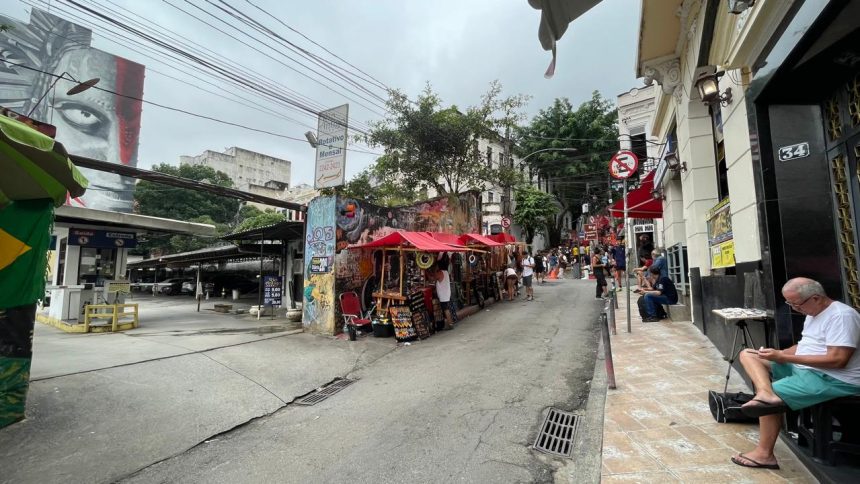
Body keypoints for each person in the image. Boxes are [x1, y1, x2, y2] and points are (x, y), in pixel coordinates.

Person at [732, 277, 860, 470]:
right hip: (807, 369)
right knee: (749, 354)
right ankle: (765, 392)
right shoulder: (813, 312)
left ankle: (764, 454)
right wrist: (778, 353)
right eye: (789, 304)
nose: (794, 308)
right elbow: (804, 346)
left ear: (816, 298)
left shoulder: (841, 316)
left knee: (768, 401)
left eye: (797, 304)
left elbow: (838, 360)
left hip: (834, 378)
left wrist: (784, 358)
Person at [432, 266, 455, 330]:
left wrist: (430, 272)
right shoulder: (446, 272)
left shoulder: (440, 273)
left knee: (446, 309)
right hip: (446, 293)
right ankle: (450, 323)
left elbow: (433, 278)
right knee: (446, 309)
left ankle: (450, 324)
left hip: (443, 295)